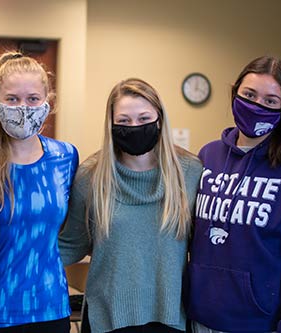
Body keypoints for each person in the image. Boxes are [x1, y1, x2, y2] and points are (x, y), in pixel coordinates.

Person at [184, 56, 281, 332]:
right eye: (249, 95)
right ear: (235, 92)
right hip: (199, 319)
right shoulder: (209, 156)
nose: (256, 106)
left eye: (270, 101)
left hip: (261, 323)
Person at [59, 78, 203, 333]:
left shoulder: (190, 172)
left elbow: (205, 248)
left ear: (159, 119)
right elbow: (71, 244)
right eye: (124, 121)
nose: (134, 127)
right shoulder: (91, 176)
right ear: (111, 124)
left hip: (170, 318)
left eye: (144, 118)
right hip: (108, 319)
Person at [0, 51, 79, 333]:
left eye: (33, 99)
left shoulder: (65, 157)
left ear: (48, 102)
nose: (23, 107)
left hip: (49, 308)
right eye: (12, 99)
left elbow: (73, 226)